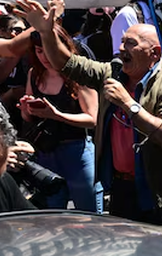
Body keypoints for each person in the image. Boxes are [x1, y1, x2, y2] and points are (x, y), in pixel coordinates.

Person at [17, 0, 162, 229]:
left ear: (154, 53)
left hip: (159, 195)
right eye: (122, 42)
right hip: (122, 190)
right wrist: (46, 32)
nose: (121, 49)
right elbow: (66, 64)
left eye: (130, 43)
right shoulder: (113, 73)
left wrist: (129, 104)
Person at [18, 21, 102, 213]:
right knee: (52, 215)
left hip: (77, 151)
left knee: (89, 215)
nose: (44, 56)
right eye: (39, 51)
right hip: (46, 152)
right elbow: (29, 120)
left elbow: (92, 118)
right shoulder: (35, 74)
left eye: (47, 49)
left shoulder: (77, 73)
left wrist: (57, 115)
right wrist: (26, 109)